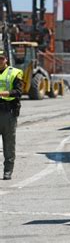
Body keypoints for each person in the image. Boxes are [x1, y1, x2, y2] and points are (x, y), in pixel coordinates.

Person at [0, 50, 23, 180]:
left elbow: (19, 91)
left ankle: (8, 171)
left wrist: (4, 93)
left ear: (6, 60)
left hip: (8, 113)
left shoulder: (14, 73)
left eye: (1, 59)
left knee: (9, 145)